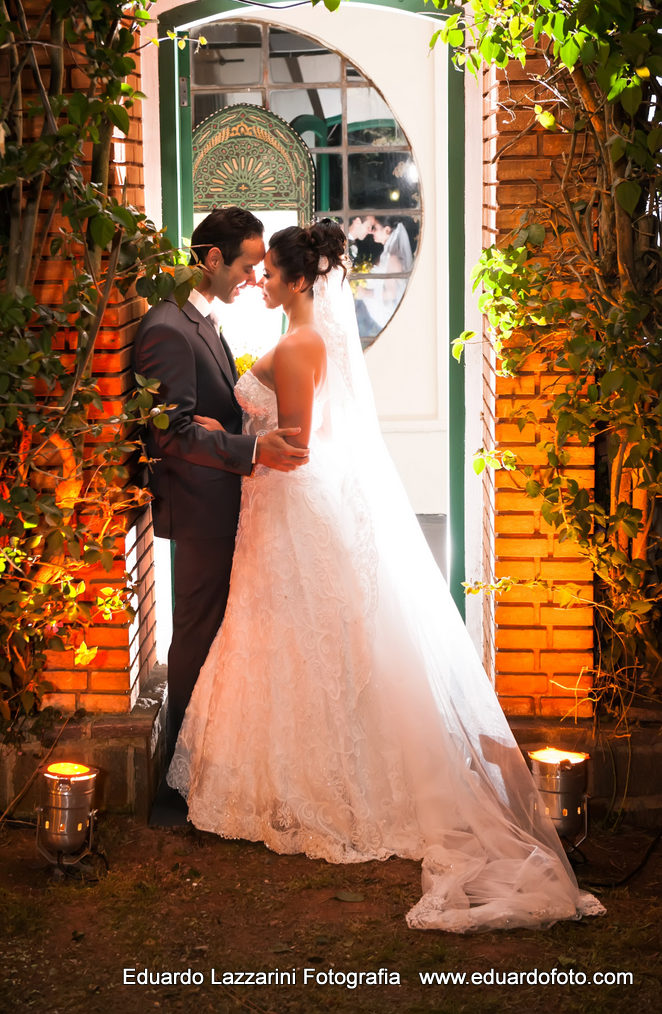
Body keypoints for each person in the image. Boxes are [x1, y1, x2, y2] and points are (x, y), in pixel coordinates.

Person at [167, 220, 605, 932]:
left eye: (271, 272)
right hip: (275, 509)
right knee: (295, 641)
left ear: (298, 280)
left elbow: (296, 444)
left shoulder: (301, 343)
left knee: (298, 641)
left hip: (288, 504)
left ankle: (316, 786)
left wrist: (229, 437)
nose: (263, 281)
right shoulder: (306, 337)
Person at [131, 207, 309, 825]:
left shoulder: (200, 317)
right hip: (199, 506)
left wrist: (237, 425)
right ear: (211, 259)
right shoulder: (167, 328)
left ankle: (204, 768)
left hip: (223, 496)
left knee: (214, 635)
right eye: (247, 265)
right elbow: (170, 434)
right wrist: (250, 447)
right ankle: (174, 787)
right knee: (195, 635)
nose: (254, 278)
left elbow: (205, 413)